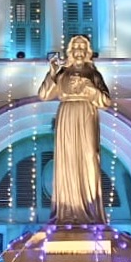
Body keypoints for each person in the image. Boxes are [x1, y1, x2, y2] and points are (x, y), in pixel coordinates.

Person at [36, 35, 112, 224]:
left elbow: (105, 101)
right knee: (67, 159)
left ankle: (90, 211)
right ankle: (67, 210)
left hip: (86, 114)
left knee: (88, 159)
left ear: (87, 51)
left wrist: (89, 89)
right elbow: (44, 95)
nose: (78, 50)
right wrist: (52, 72)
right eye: (75, 46)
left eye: (82, 46)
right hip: (67, 115)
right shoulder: (62, 73)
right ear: (70, 50)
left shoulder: (93, 73)